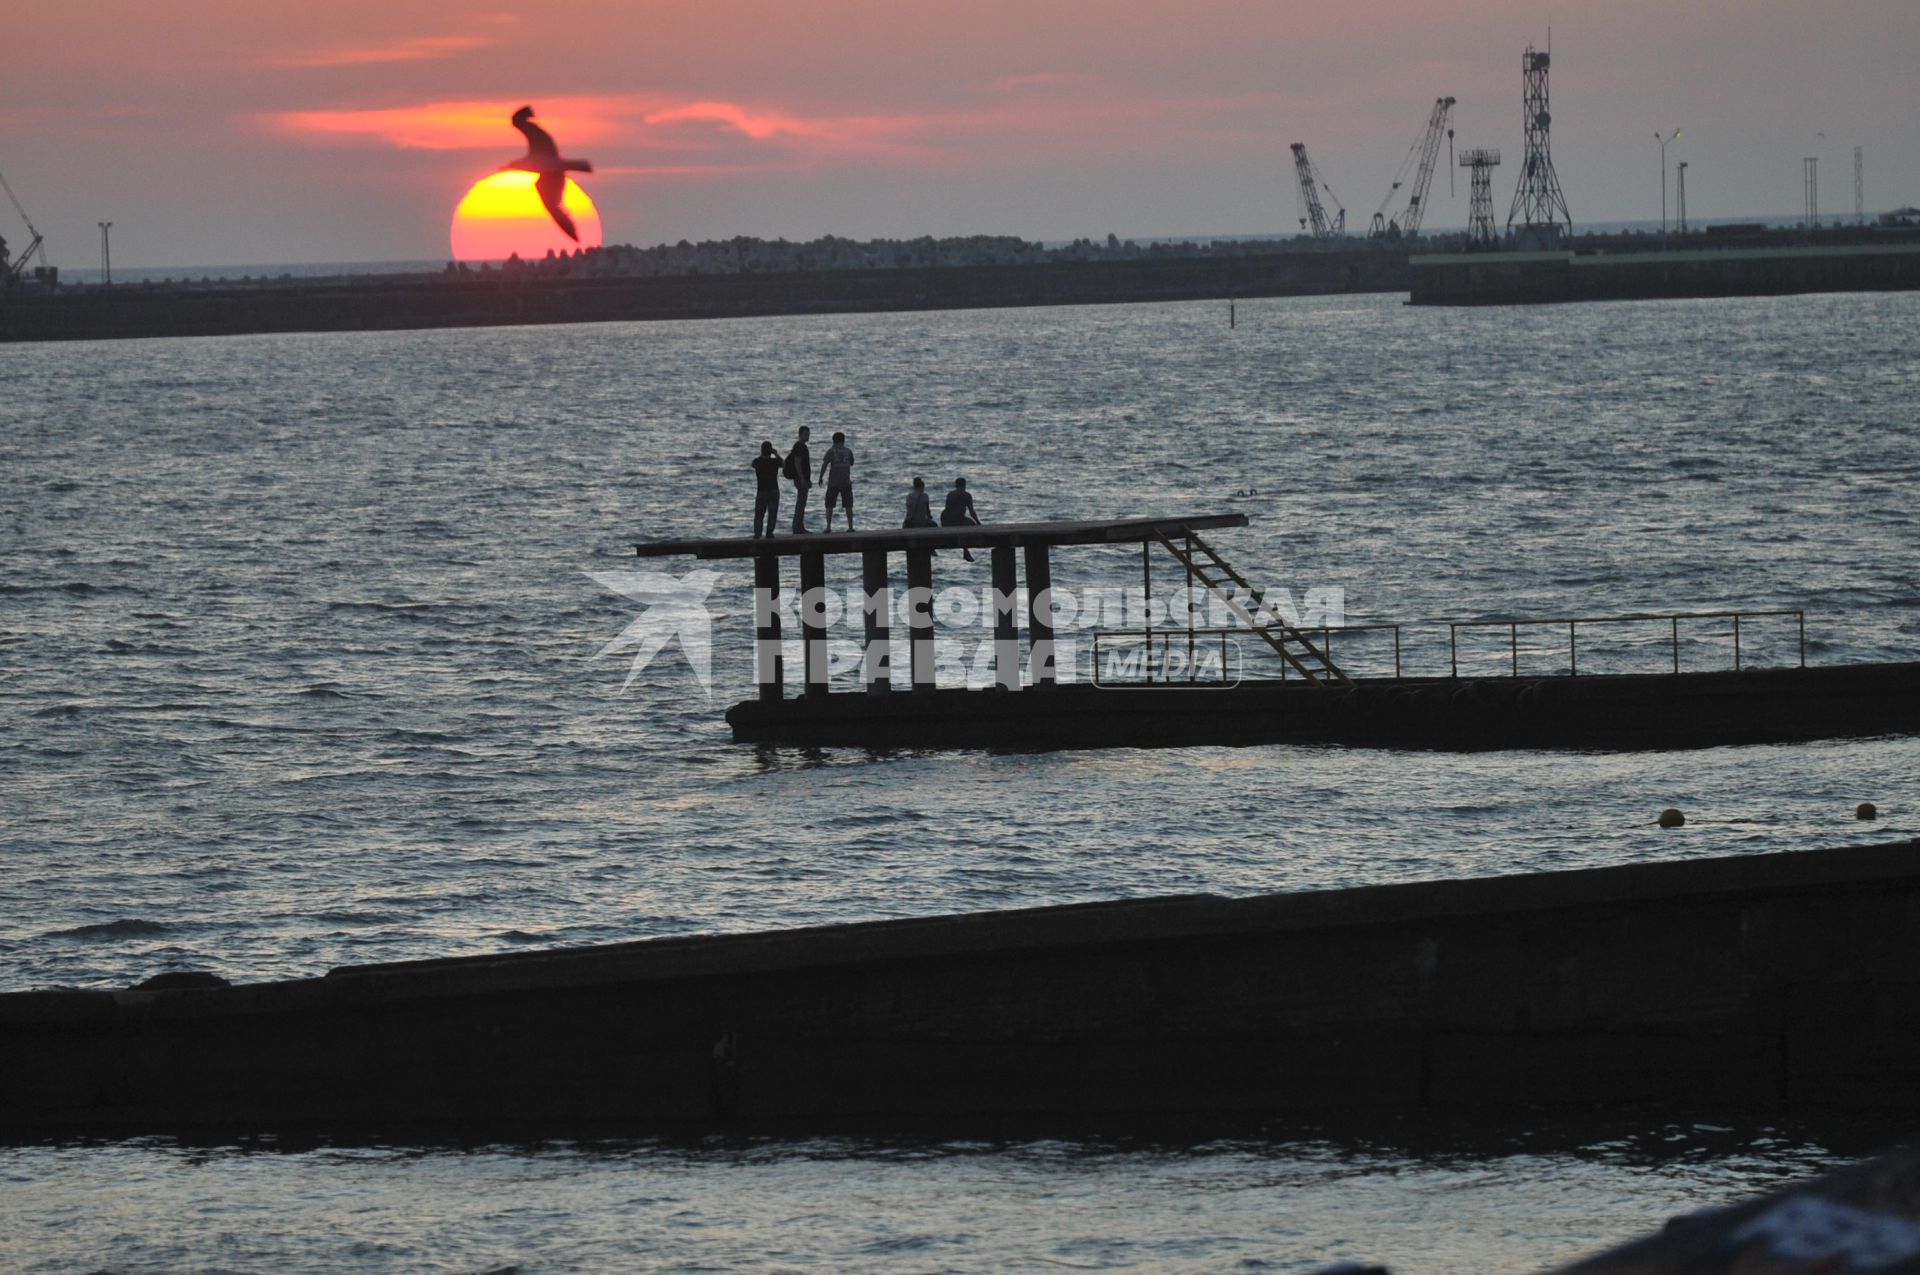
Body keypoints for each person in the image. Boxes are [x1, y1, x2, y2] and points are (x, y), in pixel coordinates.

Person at [818, 431, 856, 531]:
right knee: (848, 505)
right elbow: (852, 463)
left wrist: (821, 476)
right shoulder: (848, 451)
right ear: (843, 441)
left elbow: (825, 464)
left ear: (833, 441)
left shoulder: (831, 451)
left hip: (833, 482)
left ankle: (828, 526)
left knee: (829, 504)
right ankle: (850, 527)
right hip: (846, 482)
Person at [940, 476, 981, 561]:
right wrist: (978, 522)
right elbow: (971, 512)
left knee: (964, 526)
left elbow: (947, 509)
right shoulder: (967, 495)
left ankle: (965, 550)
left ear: (956, 485)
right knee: (971, 525)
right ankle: (965, 550)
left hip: (947, 520)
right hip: (958, 520)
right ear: (964, 485)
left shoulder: (950, 494)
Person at [750, 441, 783, 537]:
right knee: (772, 514)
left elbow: (752, 464)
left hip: (761, 490)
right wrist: (776, 454)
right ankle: (769, 532)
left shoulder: (757, 461)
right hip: (773, 490)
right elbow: (784, 464)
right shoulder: (774, 461)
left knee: (759, 514)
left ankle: (757, 533)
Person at [784, 426, 812, 533]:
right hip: (801, 479)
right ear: (800, 434)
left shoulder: (802, 446)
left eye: (808, 434)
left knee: (801, 503)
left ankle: (799, 526)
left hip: (802, 478)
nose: (807, 436)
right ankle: (797, 527)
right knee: (801, 503)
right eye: (805, 434)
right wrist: (802, 478)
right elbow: (797, 462)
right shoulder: (799, 446)